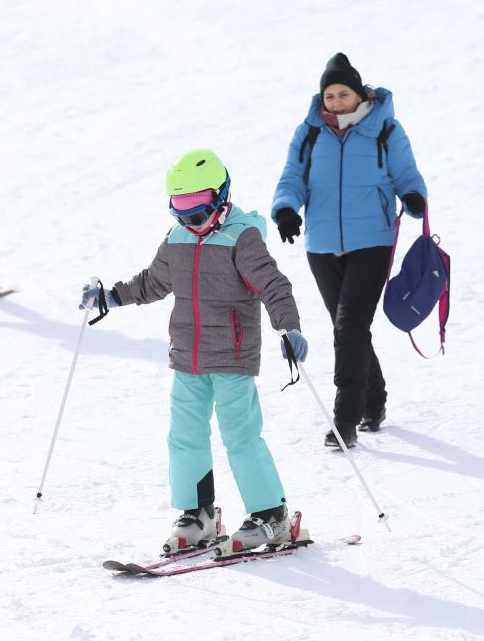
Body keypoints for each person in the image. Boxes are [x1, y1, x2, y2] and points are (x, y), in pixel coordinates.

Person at [79, 149, 309, 555]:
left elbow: (274, 286)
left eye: (197, 210)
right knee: (183, 437)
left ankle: (271, 514)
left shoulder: (243, 237)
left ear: (220, 197)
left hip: (232, 357)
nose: (189, 221)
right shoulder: (178, 238)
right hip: (187, 356)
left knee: (240, 436)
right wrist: (110, 296)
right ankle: (198, 514)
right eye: (180, 210)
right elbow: (152, 282)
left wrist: (289, 328)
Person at [271, 53, 428, 448]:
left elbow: (405, 173)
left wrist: (412, 196)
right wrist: (287, 208)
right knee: (349, 329)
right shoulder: (308, 133)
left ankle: (346, 418)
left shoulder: (385, 130)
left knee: (349, 327)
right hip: (321, 245)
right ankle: (374, 399)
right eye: (330, 95)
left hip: (371, 241)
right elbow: (292, 176)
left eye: (344, 94)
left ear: (359, 95)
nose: (337, 102)